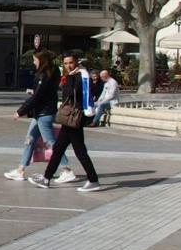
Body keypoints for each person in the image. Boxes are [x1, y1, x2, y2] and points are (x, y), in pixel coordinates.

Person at [37, 57, 115, 193]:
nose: (68, 65)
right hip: (71, 118)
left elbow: (70, 94)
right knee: (59, 149)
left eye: (71, 63)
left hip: (75, 117)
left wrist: (70, 79)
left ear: (76, 62)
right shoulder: (75, 75)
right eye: (66, 63)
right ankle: (46, 178)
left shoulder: (80, 76)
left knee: (79, 150)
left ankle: (93, 180)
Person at [9, 63, 61, 181]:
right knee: (30, 139)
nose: (33, 62)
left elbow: (37, 98)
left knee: (51, 143)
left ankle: (67, 169)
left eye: (35, 59)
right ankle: (20, 170)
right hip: (40, 114)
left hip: (44, 114)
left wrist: (21, 111)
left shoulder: (44, 77)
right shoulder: (45, 77)